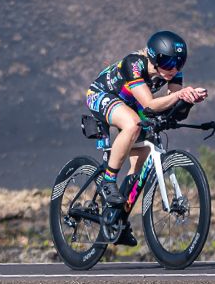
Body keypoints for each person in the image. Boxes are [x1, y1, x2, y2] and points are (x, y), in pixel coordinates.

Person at [85, 30, 208, 246]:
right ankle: (108, 180)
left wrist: (189, 99)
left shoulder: (173, 72)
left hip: (133, 103)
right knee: (132, 124)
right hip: (103, 94)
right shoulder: (134, 64)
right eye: (168, 62)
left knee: (141, 157)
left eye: (179, 63)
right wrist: (179, 95)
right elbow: (150, 104)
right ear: (154, 56)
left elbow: (172, 105)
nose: (174, 68)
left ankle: (117, 218)